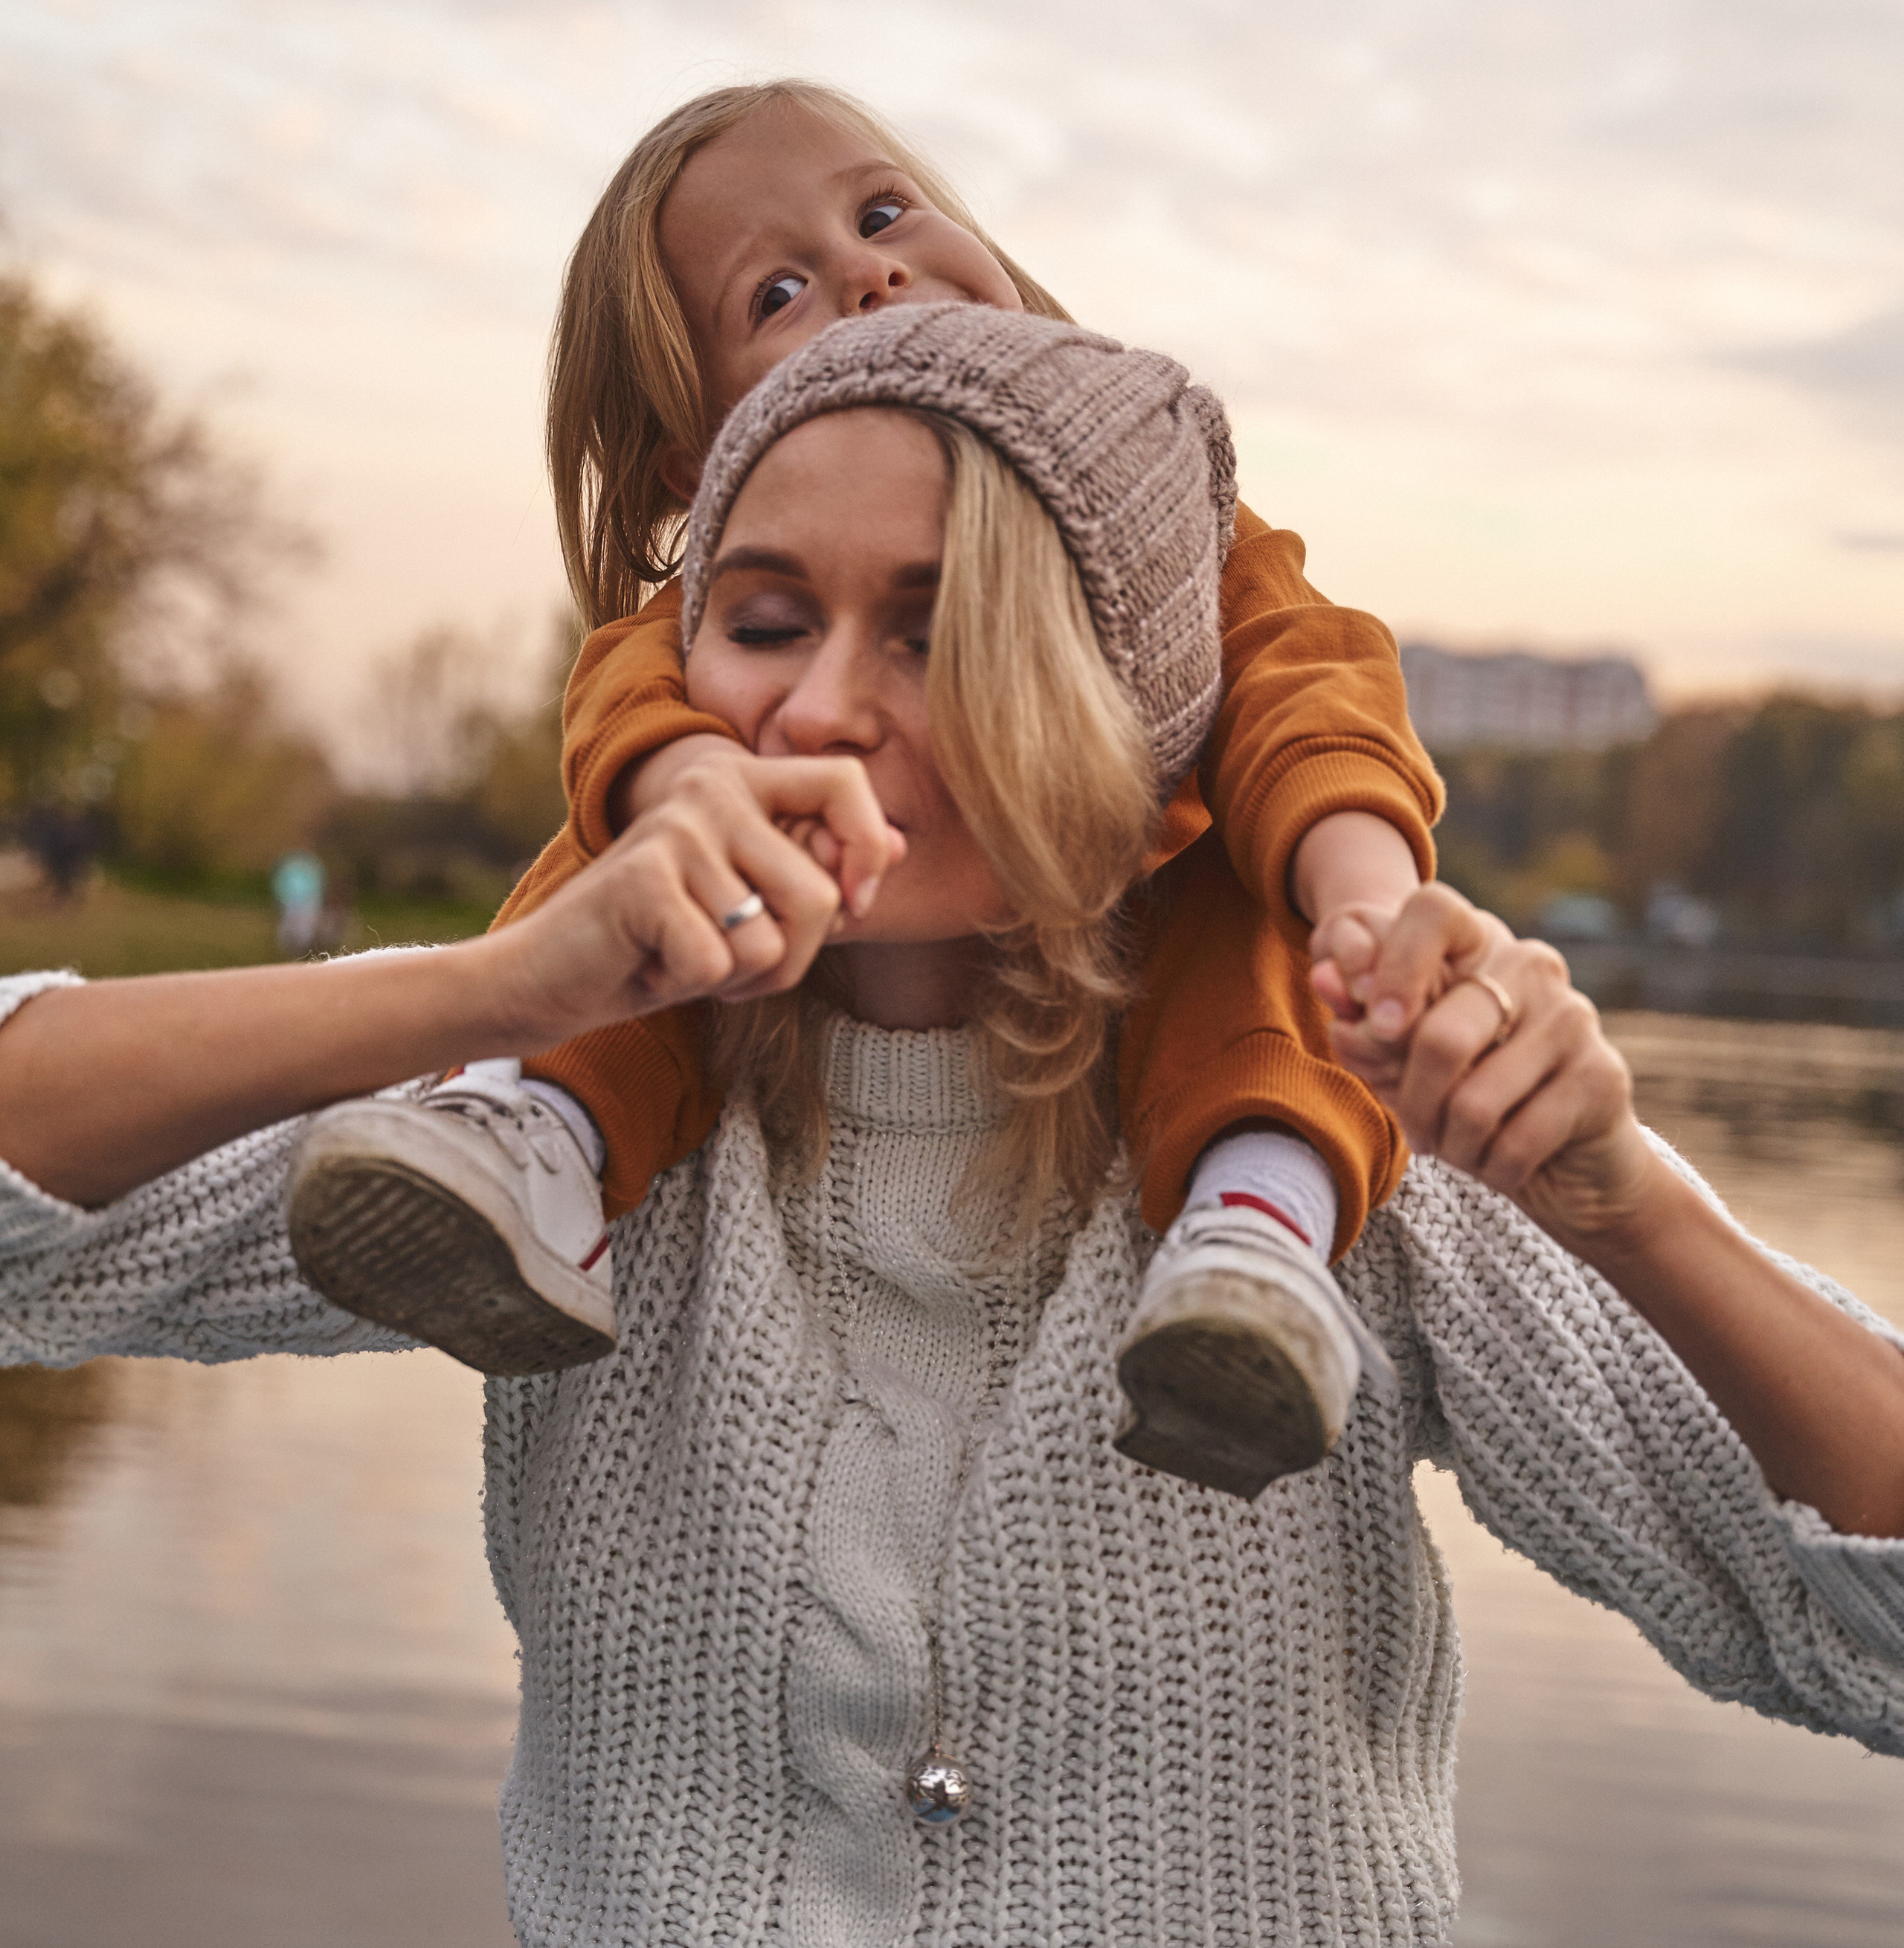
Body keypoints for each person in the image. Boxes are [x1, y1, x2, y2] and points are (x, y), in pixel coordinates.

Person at [1, 313, 1899, 1948]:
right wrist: (493, 980)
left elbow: (1876, 1640)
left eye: (932, 630)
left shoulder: (1342, 1148)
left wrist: (1630, 1199)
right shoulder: (527, 1129)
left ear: (1129, 705)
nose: (818, 707)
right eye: (765, 619)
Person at [279, 79, 1445, 1497]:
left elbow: (1313, 694)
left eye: (882, 210)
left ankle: (1261, 1223)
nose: (867, 271)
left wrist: (1370, 910)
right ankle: (533, 1127)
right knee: (639, 903)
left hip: (1166, 943)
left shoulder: (1177, 512)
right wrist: (704, 784)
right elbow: (627, 709)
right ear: (705, 468)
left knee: (1253, 934)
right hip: (735, 931)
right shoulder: (687, 641)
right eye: (776, 294)